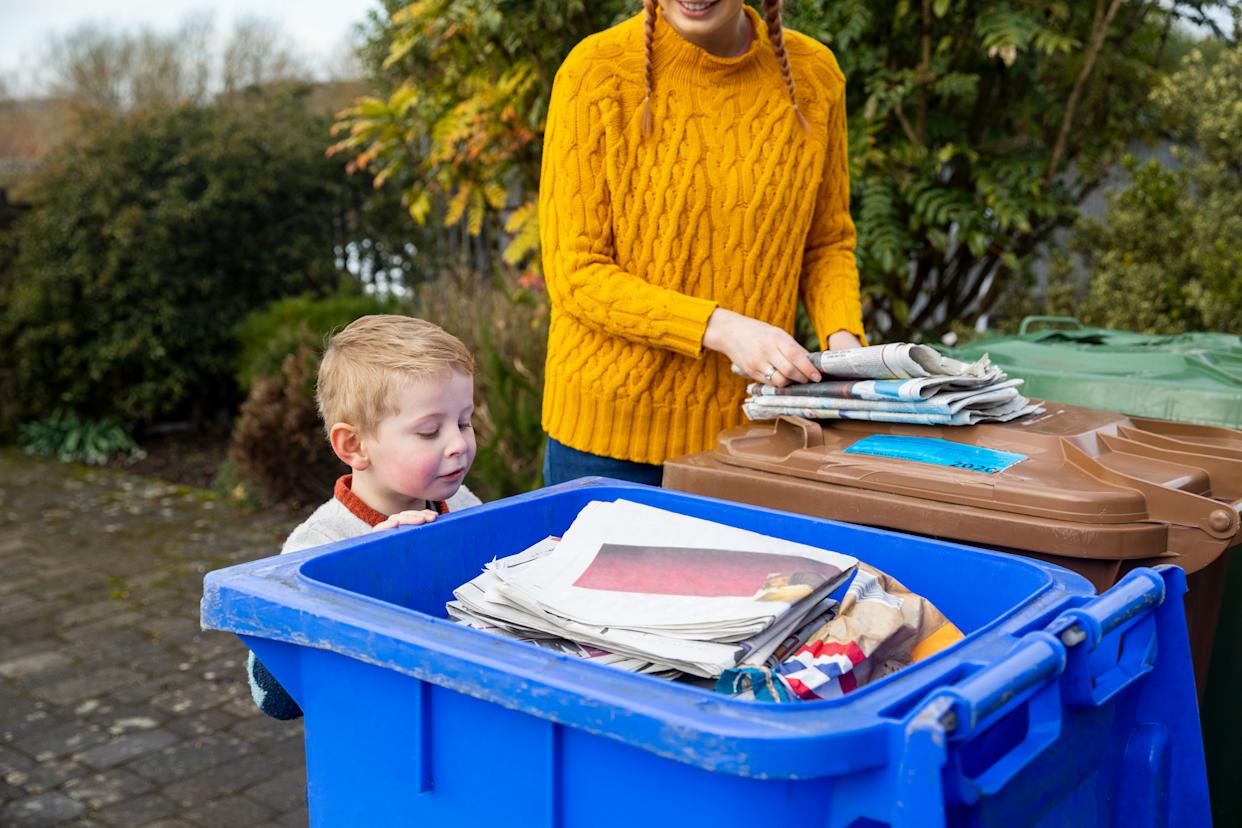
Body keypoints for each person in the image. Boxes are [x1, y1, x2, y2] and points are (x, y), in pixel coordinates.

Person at [539, 0, 865, 487]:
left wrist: (845, 348)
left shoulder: (814, 76)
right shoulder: (595, 72)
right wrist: (720, 328)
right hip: (607, 446)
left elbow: (826, 243)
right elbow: (575, 272)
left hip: (753, 437)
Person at [247, 314, 483, 719]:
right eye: (429, 432)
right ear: (354, 445)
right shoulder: (318, 546)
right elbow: (271, 695)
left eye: (464, 421)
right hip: (372, 743)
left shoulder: (463, 505)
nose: (458, 444)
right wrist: (371, 566)